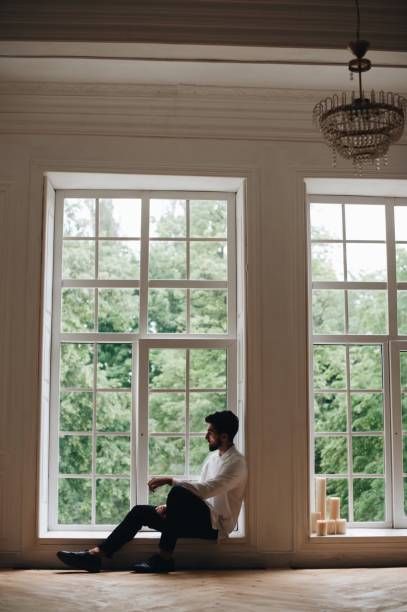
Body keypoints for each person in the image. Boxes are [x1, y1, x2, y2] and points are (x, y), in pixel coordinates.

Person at [57, 410, 247, 574]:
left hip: (216, 527)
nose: (206, 436)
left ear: (223, 436)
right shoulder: (213, 458)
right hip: (199, 517)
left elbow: (207, 489)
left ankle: (164, 558)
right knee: (140, 511)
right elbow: (200, 487)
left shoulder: (237, 463)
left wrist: (169, 480)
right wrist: (172, 507)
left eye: (211, 432)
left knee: (177, 492)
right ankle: (95, 555)